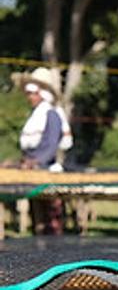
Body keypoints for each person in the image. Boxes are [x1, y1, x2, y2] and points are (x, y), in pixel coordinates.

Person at [15, 66, 71, 234]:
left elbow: (51, 145)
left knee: (51, 217)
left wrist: (36, 161)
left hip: (47, 171)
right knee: (38, 215)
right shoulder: (37, 114)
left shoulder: (52, 114)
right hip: (34, 171)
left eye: (33, 92)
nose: (30, 97)